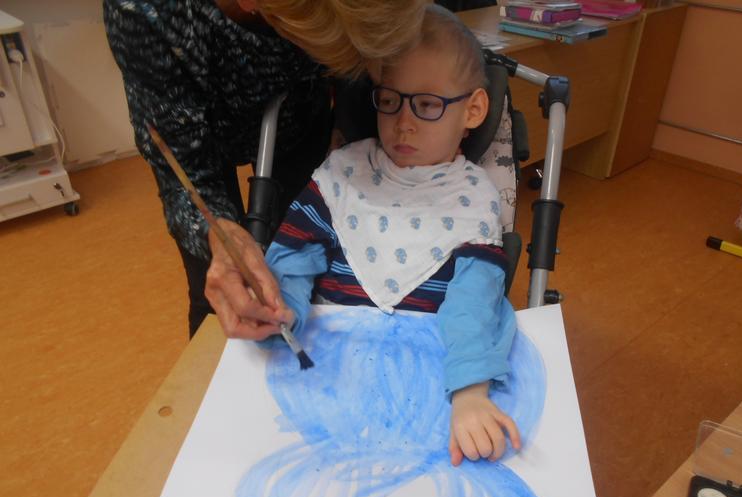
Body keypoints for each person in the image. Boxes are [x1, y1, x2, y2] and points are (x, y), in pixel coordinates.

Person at [265, 5, 521, 467]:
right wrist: (282, 307)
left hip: (426, 365)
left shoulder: (473, 197)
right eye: (389, 100)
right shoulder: (345, 171)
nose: (403, 123)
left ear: (473, 110)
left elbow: (473, 304)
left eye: (427, 105)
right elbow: (295, 253)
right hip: (327, 355)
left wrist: (470, 392)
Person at [104, 0, 427, 338]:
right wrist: (218, 234)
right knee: (224, 288)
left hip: (300, 120)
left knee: (299, 256)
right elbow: (183, 169)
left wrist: (347, 126)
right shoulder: (145, 10)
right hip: (199, 139)